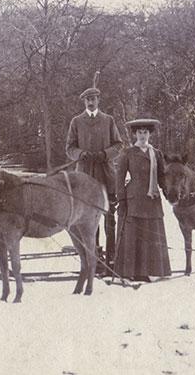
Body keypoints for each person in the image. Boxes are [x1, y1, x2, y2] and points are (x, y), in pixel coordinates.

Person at [65, 85, 123, 273]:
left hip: (106, 175)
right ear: (84, 102)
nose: (91, 102)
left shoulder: (108, 120)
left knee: (109, 218)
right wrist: (81, 154)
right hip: (84, 178)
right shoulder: (76, 122)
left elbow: (118, 145)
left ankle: (112, 259)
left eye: (94, 99)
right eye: (87, 99)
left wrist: (104, 155)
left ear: (99, 100)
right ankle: (94, 259)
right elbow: (69, 148)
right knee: (88, 220)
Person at [113, 118, 171, 282]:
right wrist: (122, 200)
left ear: (150, 134)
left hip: (152, 200)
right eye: (140, 132)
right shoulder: (128, 153)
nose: (143, 135)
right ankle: (129, 272)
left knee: (150, 235)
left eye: (146, 132)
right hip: (134, 200)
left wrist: (169, 193)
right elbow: (120, 178)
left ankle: (149, 271)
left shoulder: (156, 153)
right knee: (132, 236)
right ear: (135, 134)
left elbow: (161, 177)